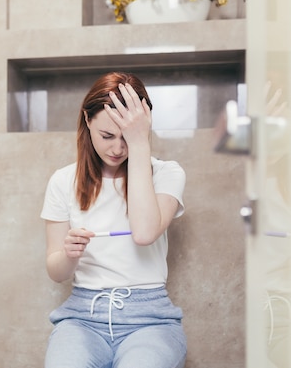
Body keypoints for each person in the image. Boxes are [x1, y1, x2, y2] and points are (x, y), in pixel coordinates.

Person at [41, 72, 187, 368]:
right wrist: (69, 255)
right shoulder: (62, 181)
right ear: (87, 120)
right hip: (83, 318)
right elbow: (56, 272)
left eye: (128, 138)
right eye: (107, 136)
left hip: (150, 320)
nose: (118, 149)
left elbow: (144, 233)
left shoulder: (167, 174)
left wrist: (140, 145)